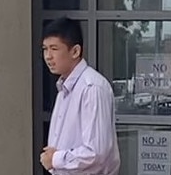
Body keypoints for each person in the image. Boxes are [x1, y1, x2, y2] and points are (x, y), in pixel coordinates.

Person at [40, 17, 120, 175]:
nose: (48, 56)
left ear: (75, 51)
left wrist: (55, 159)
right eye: (45, 49)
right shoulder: (64, 87)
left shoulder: (91, 88)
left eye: (54, 49)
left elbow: (96, 153)